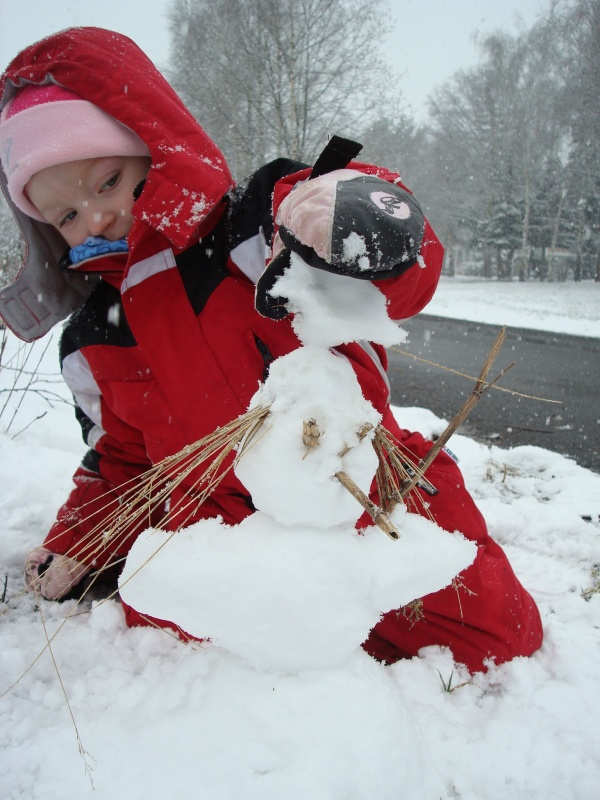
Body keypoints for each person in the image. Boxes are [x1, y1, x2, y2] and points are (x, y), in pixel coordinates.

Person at [0, 27, 542, 673]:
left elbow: (390, 271)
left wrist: (351, 213)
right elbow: (119, 460)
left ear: (155, 151)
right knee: (210, 688)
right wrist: (79, 545)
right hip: (213, 540)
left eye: (108, 181)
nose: (92, 219)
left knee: (493, 652)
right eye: (64, 216)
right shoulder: (94, 334)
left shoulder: (256, 229)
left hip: (370, 495)